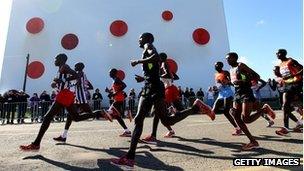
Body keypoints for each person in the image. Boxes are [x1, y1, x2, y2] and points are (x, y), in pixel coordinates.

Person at [110, 33, 215, 169]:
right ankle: (195, 107)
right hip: (154, 87)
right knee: (166, 120)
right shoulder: (148, 50)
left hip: (150, 89)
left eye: (140, 38)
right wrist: (143, 78)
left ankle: (129, 158)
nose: (138, 40)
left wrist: (137, 61)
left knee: (138, 120)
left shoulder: (148, 46)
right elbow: (154, 70)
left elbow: (155, 56)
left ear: (147, 39)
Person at [19, 54, 108, 151]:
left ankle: (36, 144)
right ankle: (98, 113)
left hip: (64, 94)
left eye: (56, 58)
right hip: (66, 94)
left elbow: (77, 75)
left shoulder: (65, 67)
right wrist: (55, 82)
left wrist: (63, 80)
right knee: (76, 118)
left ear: (61, 59)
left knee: (47, 117)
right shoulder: (61, 68)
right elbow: (61, 81)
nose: (54, 60)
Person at [226, 52, 275, 151]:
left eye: (229, 58)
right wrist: (230, 83)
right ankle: (253, 141)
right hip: (237, 94)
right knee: (235, 115)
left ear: (235, 58)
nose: (227, 60)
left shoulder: (241, 66)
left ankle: (264, 109)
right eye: (226, 58)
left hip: (246, 93)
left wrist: (243, 81)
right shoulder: (231, 70)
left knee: (246, 119)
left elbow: (256, 76)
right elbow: (235, 83)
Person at [53, 62, 112, 142]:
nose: (74, 67)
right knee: (70, 116)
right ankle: (64, 136)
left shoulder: (80, 73)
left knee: (89, 114)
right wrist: (82, 86)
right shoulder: (83, 75)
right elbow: (90, 86)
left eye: (75, 66)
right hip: (77, 97)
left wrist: (64, 80)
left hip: (80, 97)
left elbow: (78, 80)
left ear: (79, 67)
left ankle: (107, 112)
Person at [141, 52, 184, 143]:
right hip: (168, 89)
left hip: (167, 90)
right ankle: (168, 131)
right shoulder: (165, 65)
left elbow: (168, 74)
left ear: (160, 58)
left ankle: (154, 135)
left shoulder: (164, 64)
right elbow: (176, 77)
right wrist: (170, 76)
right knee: (159, 113)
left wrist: (160, 76)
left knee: (158, 112)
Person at [274, 49, 303, 135]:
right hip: (287, 85)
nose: (277, 54)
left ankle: (285, 128)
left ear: (283, 54)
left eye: (278, 53)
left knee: (286, 105)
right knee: (285, 107)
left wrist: (294, 75)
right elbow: (285, 76)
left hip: (295, 83)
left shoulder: (290, 61)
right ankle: (297, 124)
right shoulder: (280, 65)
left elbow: (302, 69)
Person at [213, 61, 241, 135]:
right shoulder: (215, 74)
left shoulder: (226, 72)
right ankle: (237, 122)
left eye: (217, 65)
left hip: (228, 93)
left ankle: (238, 127)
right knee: (213, 110)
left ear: (221, 66)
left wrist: (226, 82)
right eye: (215, 65)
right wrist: (215, 89)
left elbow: (232, 82)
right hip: (221, 94)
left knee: (226, 112)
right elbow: (218, 85)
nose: (216, 67)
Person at [105, 68, 132, 137]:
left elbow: (124, 85)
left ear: (113, 73)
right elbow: (115, 91)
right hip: (117, 99)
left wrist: (115, 93)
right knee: (117, 116)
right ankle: (127, 131)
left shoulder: (116, 79)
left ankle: (126, 113)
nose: (109, 74)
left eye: (110, 72)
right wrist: (109, 92)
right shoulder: (114, 80)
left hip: (119, 99)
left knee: (108, 112)